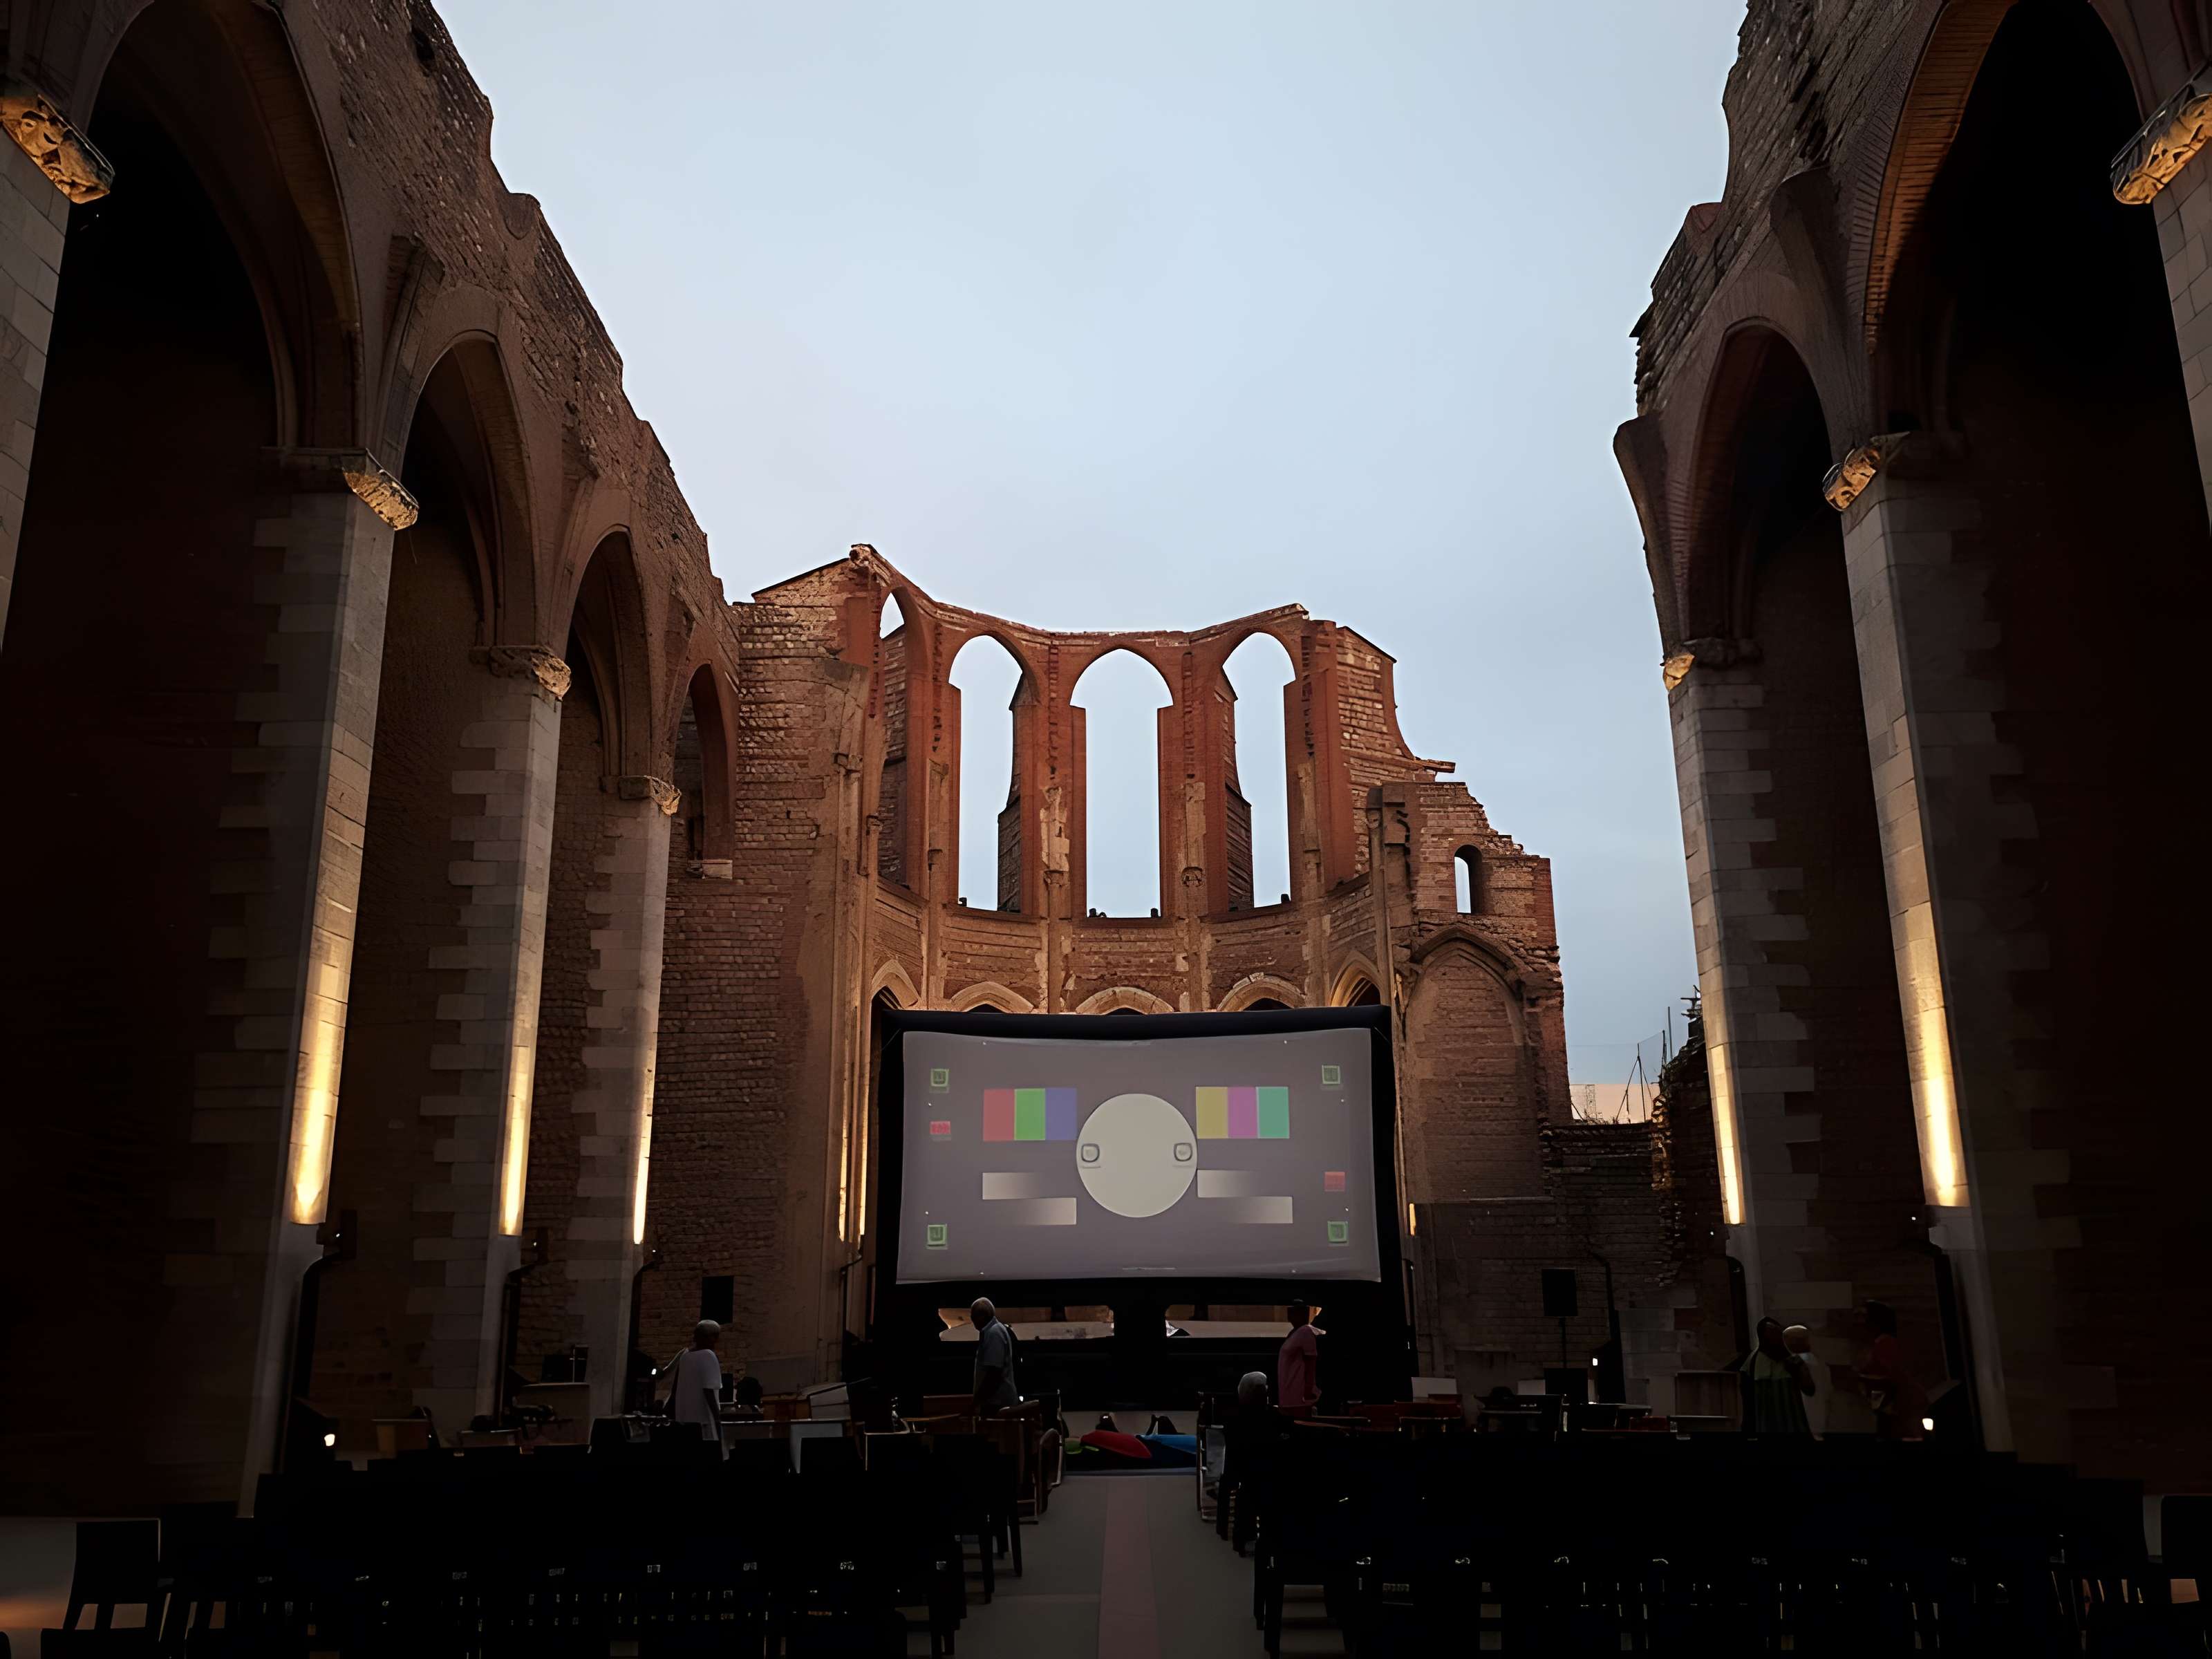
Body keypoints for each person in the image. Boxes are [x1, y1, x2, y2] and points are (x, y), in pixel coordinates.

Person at [1215, 1370, 1286, 1551]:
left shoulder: (1233, 1418)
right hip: (1267, 1473)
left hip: (1241, 1471)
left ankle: (1237, 1534)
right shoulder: (1274, 1416)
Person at [1858, 1299, 1929, 1440]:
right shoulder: (1879, 1344)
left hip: (1894, 1408)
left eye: (1865, 1317)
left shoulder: (1886, 1344)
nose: (1862, 1322)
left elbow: (1891, 1377)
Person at [1738, 1315, 1815, 1434]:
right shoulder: (1752, 1363)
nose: (1775, 1338)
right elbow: (1747, 1401)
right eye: (1770, 1334)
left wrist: (1798, 1371)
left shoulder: (1794, 1360)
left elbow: (1810, 1390)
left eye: (1777, 1333)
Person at [666, 1319, 724, 1442]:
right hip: (703, 1422)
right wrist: (717, 1420)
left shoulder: (685, 1356)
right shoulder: (708, 1356)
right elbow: (709, 1391)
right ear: (710, 1337)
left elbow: (675, 1389)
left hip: (684, 1420)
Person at [970, 1297, 1018, 1418]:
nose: (972, 1319)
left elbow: (994, 1373)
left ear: (981, 1317)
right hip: (996, 1402)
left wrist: (977, 1402)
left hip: (998, 1404)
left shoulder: (993, 1333)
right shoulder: (993, 1331)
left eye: (973, 1316)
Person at [1277, 1303, 1320, 1414]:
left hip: (1297, 1397)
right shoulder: (1295, 1332)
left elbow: (1311, 1363)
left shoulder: (1305, 1331)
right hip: (1288, 1394)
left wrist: (1308, 1391)